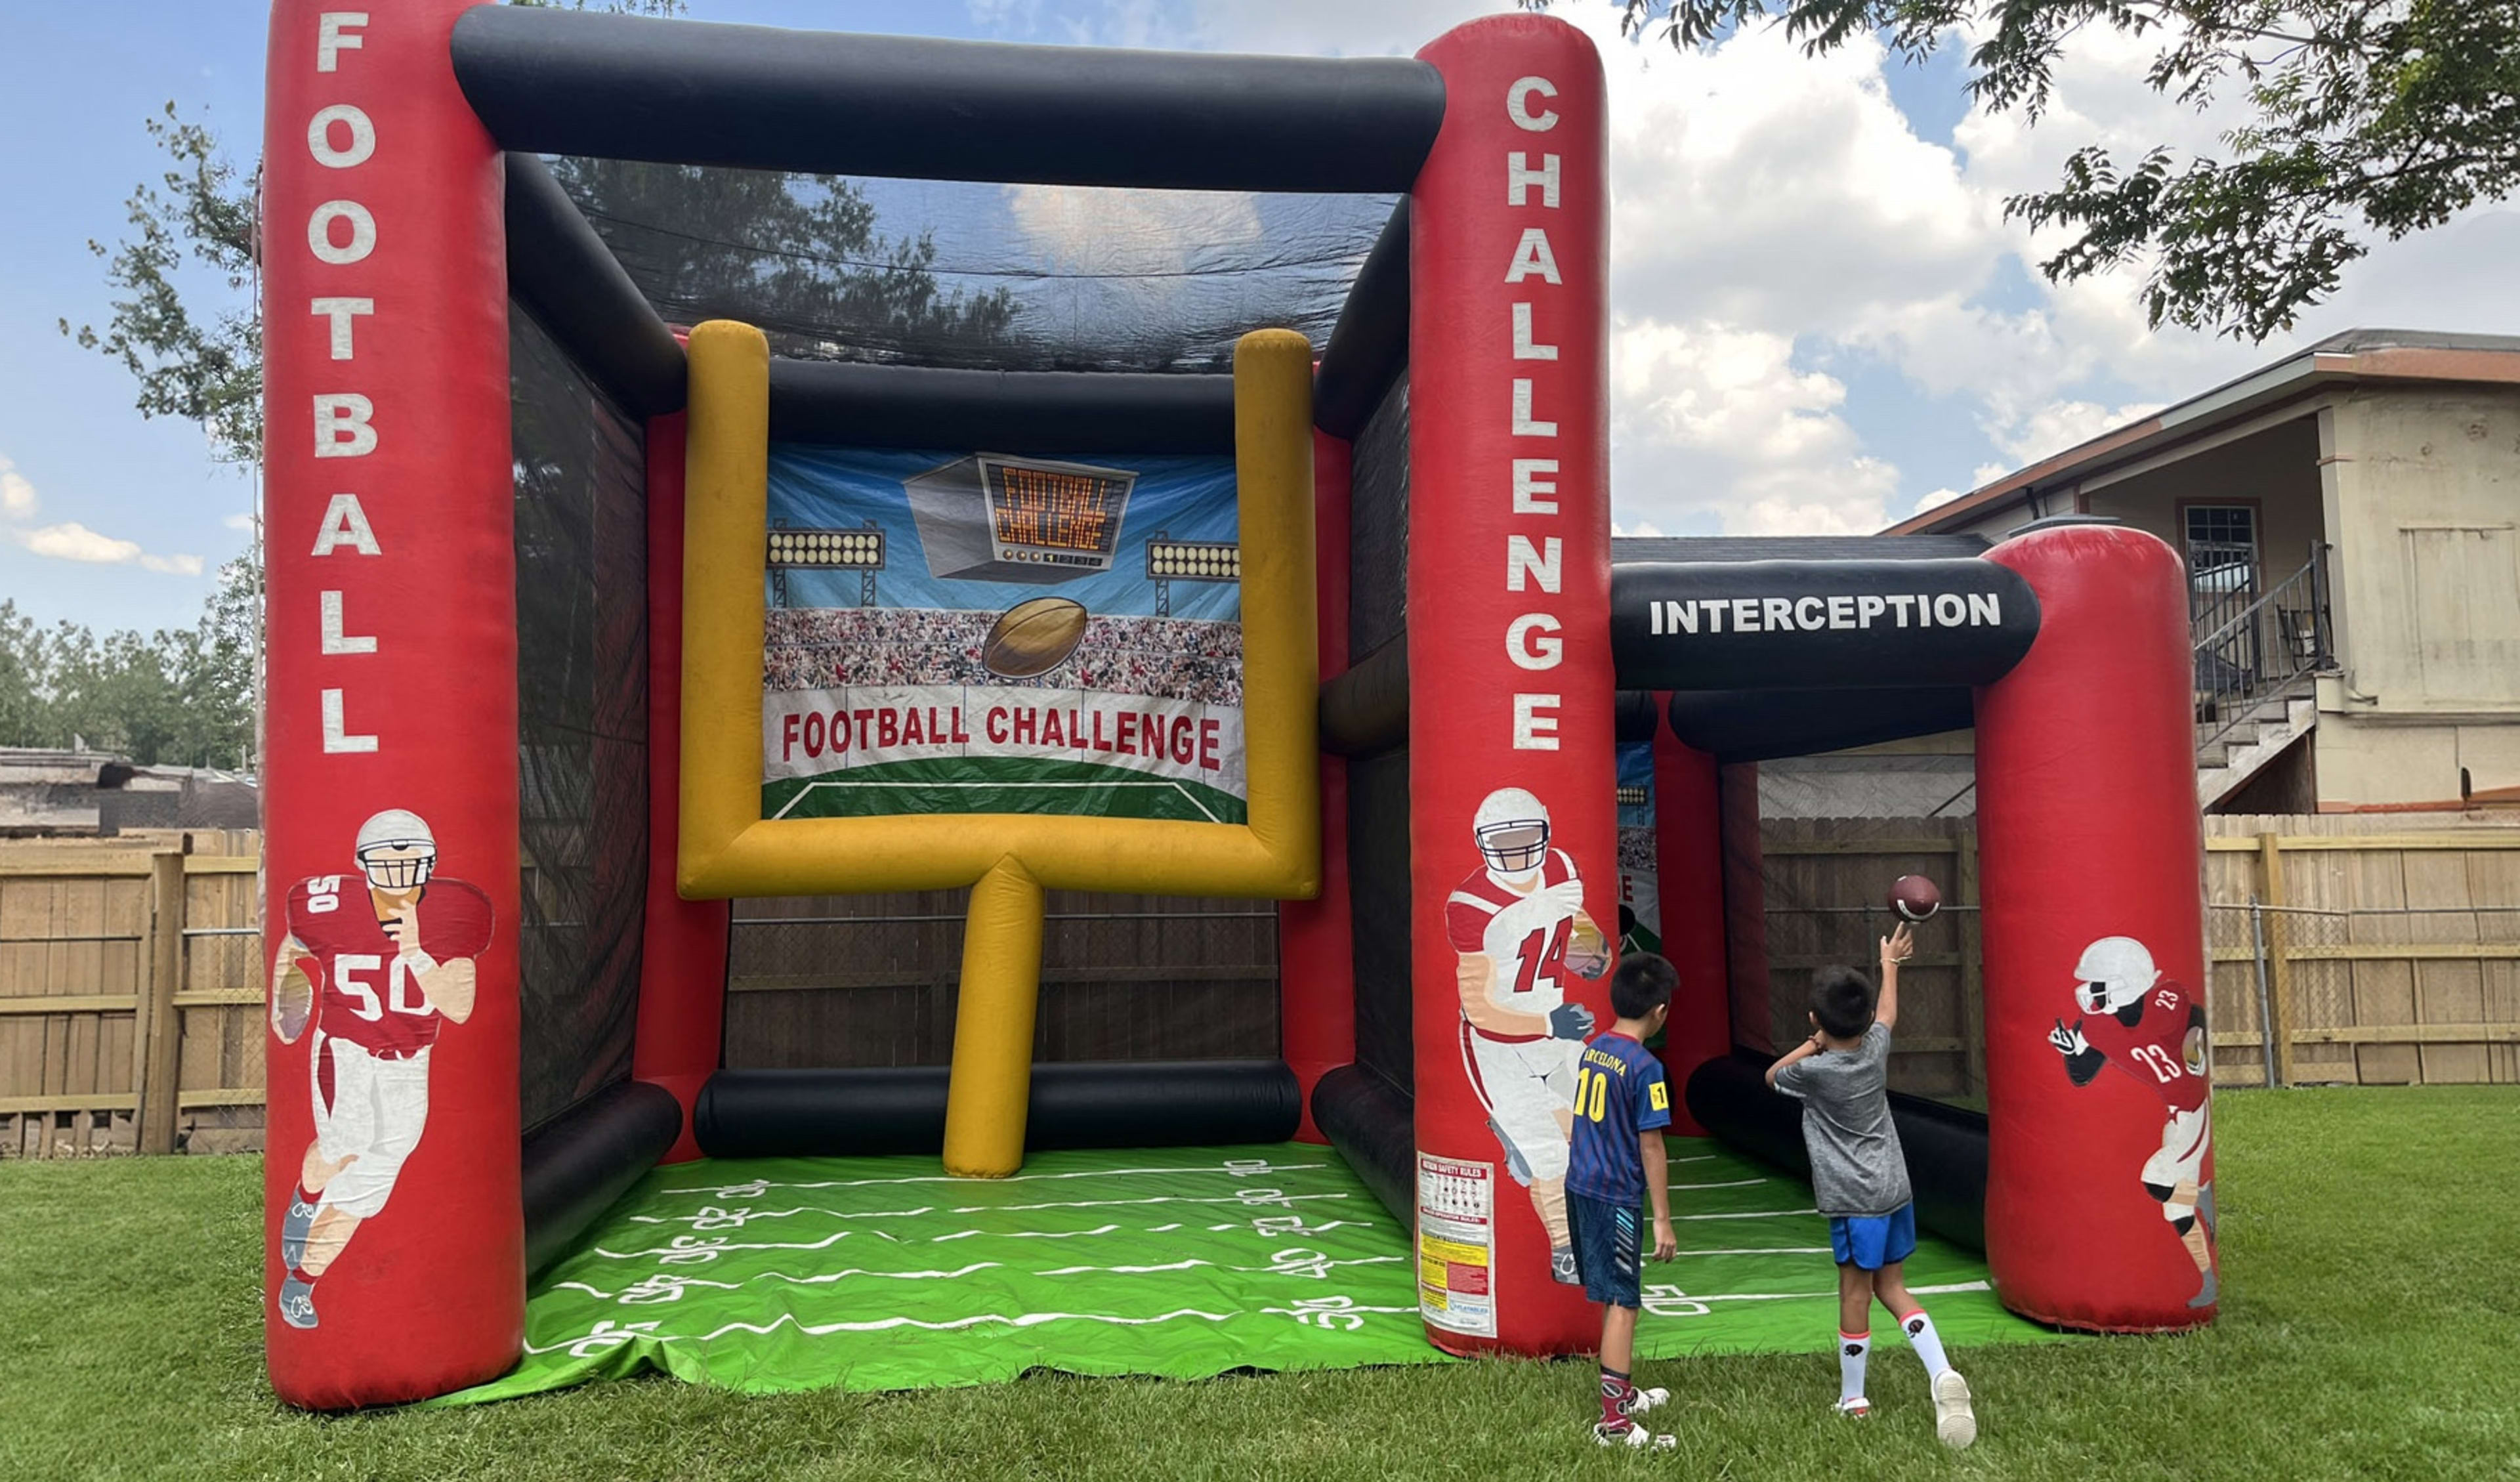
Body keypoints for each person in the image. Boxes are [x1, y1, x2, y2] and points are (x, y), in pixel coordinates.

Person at [1765, 922, 1976, 1449]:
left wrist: (1813, 1043)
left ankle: (1854, 1398)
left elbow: (1772, 1076)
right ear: (1861, 1021)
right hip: (1894, 1190)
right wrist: (1890, 963)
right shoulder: (1875, 1050)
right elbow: (1886, 1015)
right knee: (1894, 1287)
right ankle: (1940, 1372)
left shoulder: (1817, 1071)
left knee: (1855, 1294)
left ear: (1816, 1019)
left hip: (1854, 1202)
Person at [1565, 953, 1681, 1449]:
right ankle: (1613, 1424)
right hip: (1615, 1195)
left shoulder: (1595, 1050)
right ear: (1660, 1011)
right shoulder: (1646, 1068)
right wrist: (1663, 1220)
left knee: (1612, 1296)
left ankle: (1623, 1394)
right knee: (1624, 1302)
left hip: (1581, 1185)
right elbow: (1651, 1145)